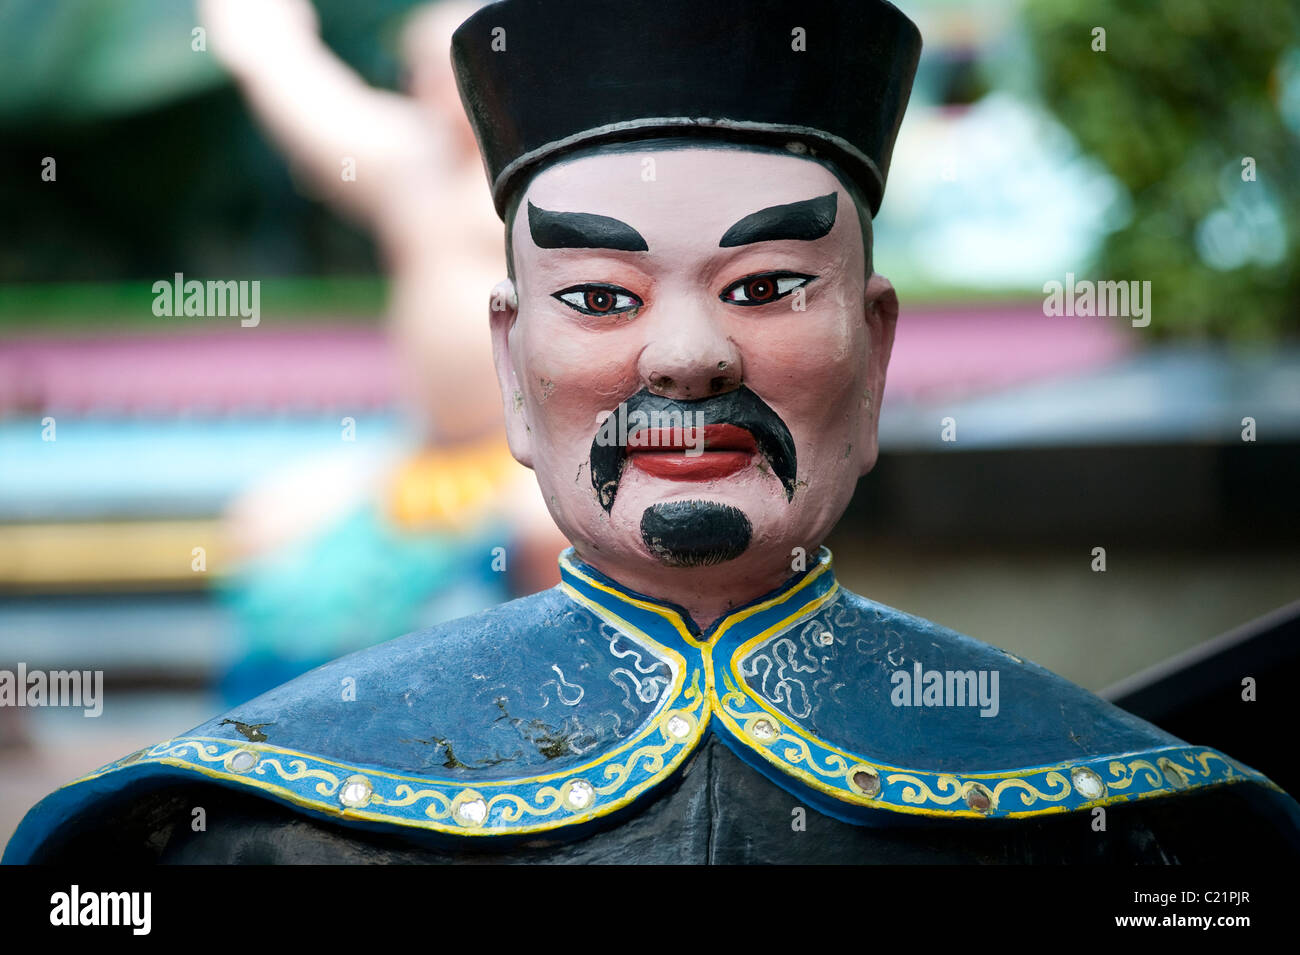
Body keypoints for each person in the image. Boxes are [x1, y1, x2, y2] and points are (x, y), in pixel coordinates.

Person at [6, 0, 1298, 864]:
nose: (686, 352)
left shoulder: (1156, 834)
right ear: (515, 360)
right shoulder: (214, 836)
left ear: (879, 342)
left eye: (768, 285)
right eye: (599, 297)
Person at [195, 0, 569, 701]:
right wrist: (262, 38)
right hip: (422, 453)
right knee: (268, 517)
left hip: (537, 453)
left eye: (451, 66)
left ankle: (559, 708)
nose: (431, 83)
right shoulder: (410, 164)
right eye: (419, 68)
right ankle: (278, 732)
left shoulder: (553, 178)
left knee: (543, 528)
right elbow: (301, 90)